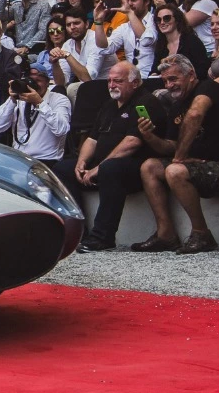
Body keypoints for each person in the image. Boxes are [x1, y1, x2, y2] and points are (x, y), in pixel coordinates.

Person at [132, 54, 219, 254]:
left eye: (173, 79)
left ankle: (201, 234)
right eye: (165, 81)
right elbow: (170, 146)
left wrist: (179, 158)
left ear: (191, 75)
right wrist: (149, 136)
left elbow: (196, 113)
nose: (169, 85)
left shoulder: (208, 87)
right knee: (149, 166)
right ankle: (166, 234)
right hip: (201, 165)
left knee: (175, 171)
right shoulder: (176, 106)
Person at [54, 62, 155, 253]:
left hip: (135, 167)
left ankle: (103, 237)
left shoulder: (146, 102)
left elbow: (132, 143)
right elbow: (92, 138)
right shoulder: (110, 104)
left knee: (111, 169)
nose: (111, 85)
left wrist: (98, 168)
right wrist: (82, 162)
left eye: (118, 81)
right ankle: (78, 231)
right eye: (109, 81)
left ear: (135, 83)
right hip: (103, 163)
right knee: (63, 169)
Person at [0, 67, 70, 161]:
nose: (33, 86)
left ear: (47, 83)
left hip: (45, 160)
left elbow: (62, 129)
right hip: (18, 157)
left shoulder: (59, 99)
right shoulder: (20, 98)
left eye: (38, 80)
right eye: (30, 81)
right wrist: (12, 100)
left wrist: (39, 103)